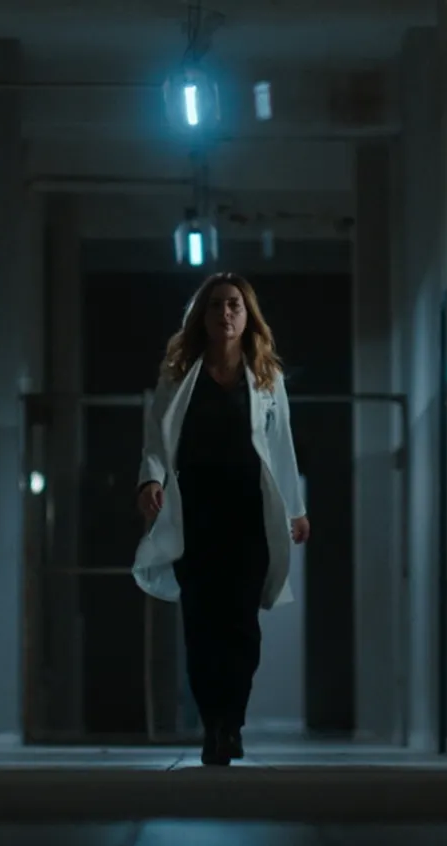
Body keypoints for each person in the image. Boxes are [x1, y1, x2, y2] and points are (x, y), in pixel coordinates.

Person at [131, 273, 311, 767]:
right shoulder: (178, 375)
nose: (225, 313)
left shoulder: (266, 378)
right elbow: (156, 438)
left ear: (247, 315)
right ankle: (213, 724)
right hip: (197, 513)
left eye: (234, 305)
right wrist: (150, 482)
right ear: (202, 317)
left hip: (249, 514)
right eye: (215, 306)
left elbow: (282, 446)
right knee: (201, 623)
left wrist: (295, 509)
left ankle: (232, 721)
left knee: (241, 625)